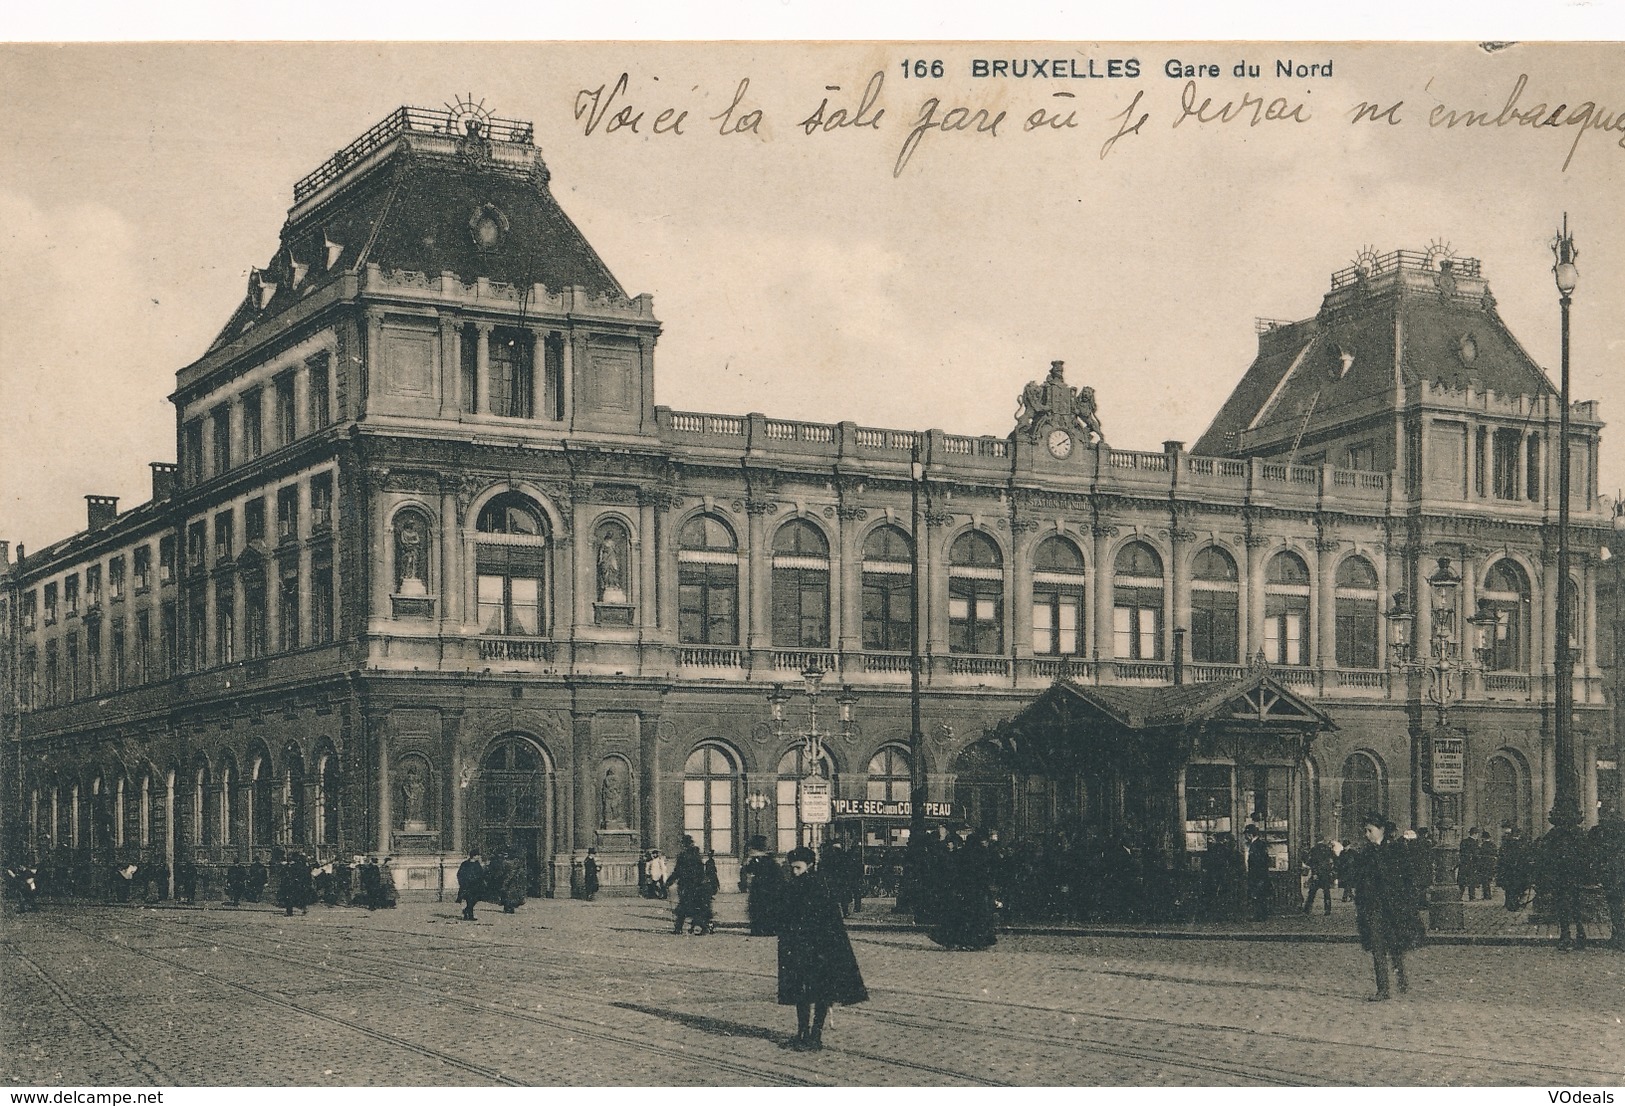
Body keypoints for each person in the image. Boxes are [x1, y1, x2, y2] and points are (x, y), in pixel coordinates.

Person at [775, 845, 868, 1051]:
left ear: (809, 865)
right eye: (792, 868)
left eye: (798, 868)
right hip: (814, 949)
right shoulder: (814, 886)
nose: (794, 872)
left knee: (809, 992)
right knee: (813, 992)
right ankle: (808, 1034)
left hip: (813, 949)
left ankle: (810, 1034)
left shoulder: (812, 887)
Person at [1348, 812, 1422, 1001]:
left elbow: (1408, 877)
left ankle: (1401, 978)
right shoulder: (1365, 853)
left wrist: (1407, 900)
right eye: (1365, 831)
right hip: (1372, 907)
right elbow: (1358, 877)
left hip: (1393, 907)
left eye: (1370, 830)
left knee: (1395, 945)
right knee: (1377, 947)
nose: (1367, 834)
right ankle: (1383, 989)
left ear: (1381, 830)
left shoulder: (1396, 849)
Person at [1537, 824, 1590, 950]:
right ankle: (1580, 934)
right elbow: (1587, 853)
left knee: (1562, 905)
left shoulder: (1554, 833)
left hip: (1561, 876)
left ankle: (1566, 935)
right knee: (1575, 905)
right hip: (1573, 875)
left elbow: (1544, 854)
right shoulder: (1578, 832)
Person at [1592, 815, 1625, 951]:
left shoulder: (1615, 853)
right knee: (1616, 908)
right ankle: (1618, 936)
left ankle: (1618, 936)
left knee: (1616, 908)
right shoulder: (1613, 851)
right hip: (1615, 880)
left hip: (1615, 880)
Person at [669, 836, 713, 934]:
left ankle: (679, 929)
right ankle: (703, 927)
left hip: (687, 885)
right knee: (693, 907)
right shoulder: (697, 855)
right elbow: (701, 871)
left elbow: (677, 871)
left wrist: (669, 881)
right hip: (697, 886)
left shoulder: (683, 856)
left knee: (685, 907)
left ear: (684, 844)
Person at [741, 836, 783, 936]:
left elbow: (748, 869)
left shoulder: (760, 859)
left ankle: (761, 929)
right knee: (763, 909)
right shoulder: (768, 859)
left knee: (761, 909)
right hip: (764, 888)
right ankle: (764, 929)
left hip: (763, 889)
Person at [1244, 825, 1272, 922]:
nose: (1246, 837)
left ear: (1250, 835)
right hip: (1262, 875)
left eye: (1247, 835)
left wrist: (1256, 876)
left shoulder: (1255, 845)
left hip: (1257, 875)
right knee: (1261, 896)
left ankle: (1258, 916)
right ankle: (1262, 915)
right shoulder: (1261, 844)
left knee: (1257, 896)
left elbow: (1257, 862)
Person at [1498, 827, 1531, 910]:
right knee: (1516, 887)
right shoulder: (1521, 844)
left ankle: (1509, 903)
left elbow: (1502, 856)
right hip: (1517, 870)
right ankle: (1513, 904)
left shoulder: (1506, 844)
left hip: (1508, 870)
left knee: (1509, 888)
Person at [1302, 836, 1337, 915]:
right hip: (1325, 874)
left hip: (1317, 874)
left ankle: (1307, 909)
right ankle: (1327, 910)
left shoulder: (1314, 849)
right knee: (1326, 892)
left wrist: (1314, 873)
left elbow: (1311, 862)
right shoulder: (1328, 849)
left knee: (1312, 892)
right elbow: (1335, 859)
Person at [456, 849, 484, 920]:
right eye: (478, 855)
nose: (479, 856)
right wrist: (462, 883)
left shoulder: (477, 864)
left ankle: (466, 911)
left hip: (476, 885)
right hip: (467, 885)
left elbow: (481, 874)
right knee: (469, 900)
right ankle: (469, 915)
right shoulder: (465, 864)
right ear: (474, 856)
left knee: (474, 900)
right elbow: (460, 874)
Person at [1458, 827, 1482, 901]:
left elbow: (1461, 852)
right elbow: (1476, 855)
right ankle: (1472, 897)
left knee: (1462, 882)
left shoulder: (1464, 841)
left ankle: (1459, 896)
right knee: (1471, 881)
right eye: (1477, 834)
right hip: (1472, 864)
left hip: (1463, 863)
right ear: (1475, 834)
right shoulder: (1474, 843)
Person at [1476, 828, 1499, 903]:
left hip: (1484, 865)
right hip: (1491, 865)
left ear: (1483, 838)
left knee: (1484, 881)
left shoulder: (1483, 846)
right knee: (1489, 880)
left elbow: (1480, 855)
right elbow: (1496, 854)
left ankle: (1487, 895)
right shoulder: (1493, 845)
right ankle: (1488, 895)